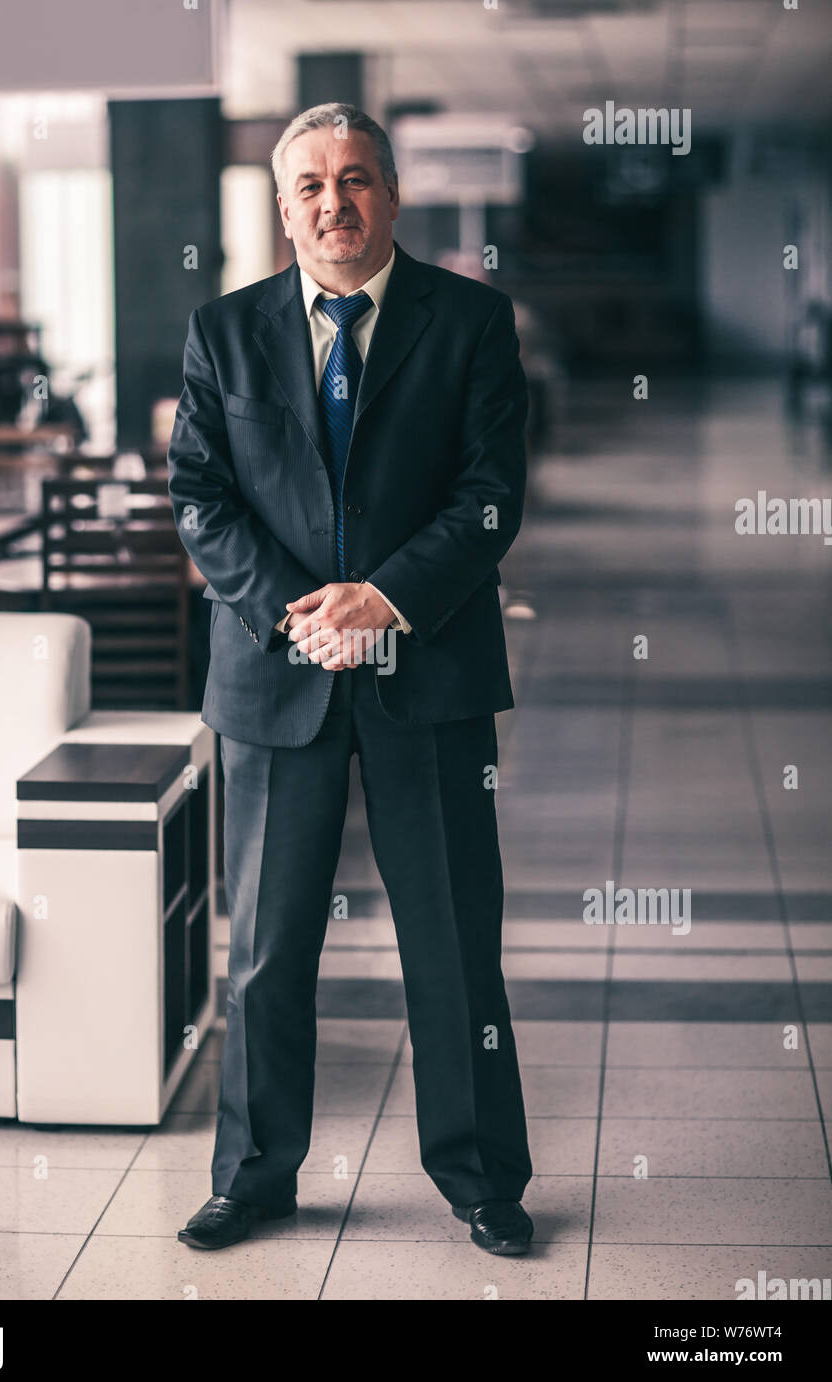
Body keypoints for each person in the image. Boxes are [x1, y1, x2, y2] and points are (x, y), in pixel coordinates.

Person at [167, 102, 533, 1256]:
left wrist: (383, 597)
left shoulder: (471, 323)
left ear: (390, 194)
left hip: (429, 672)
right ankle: (254, 1175)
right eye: (311, 185)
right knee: (268, 950)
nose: (335, 202)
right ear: (282, 208)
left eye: (356, 179)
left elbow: (489, 495)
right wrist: (298, 613)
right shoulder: (221, 334)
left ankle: (479, 1178)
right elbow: (199, 497)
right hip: (278, 683)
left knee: (452, 941)